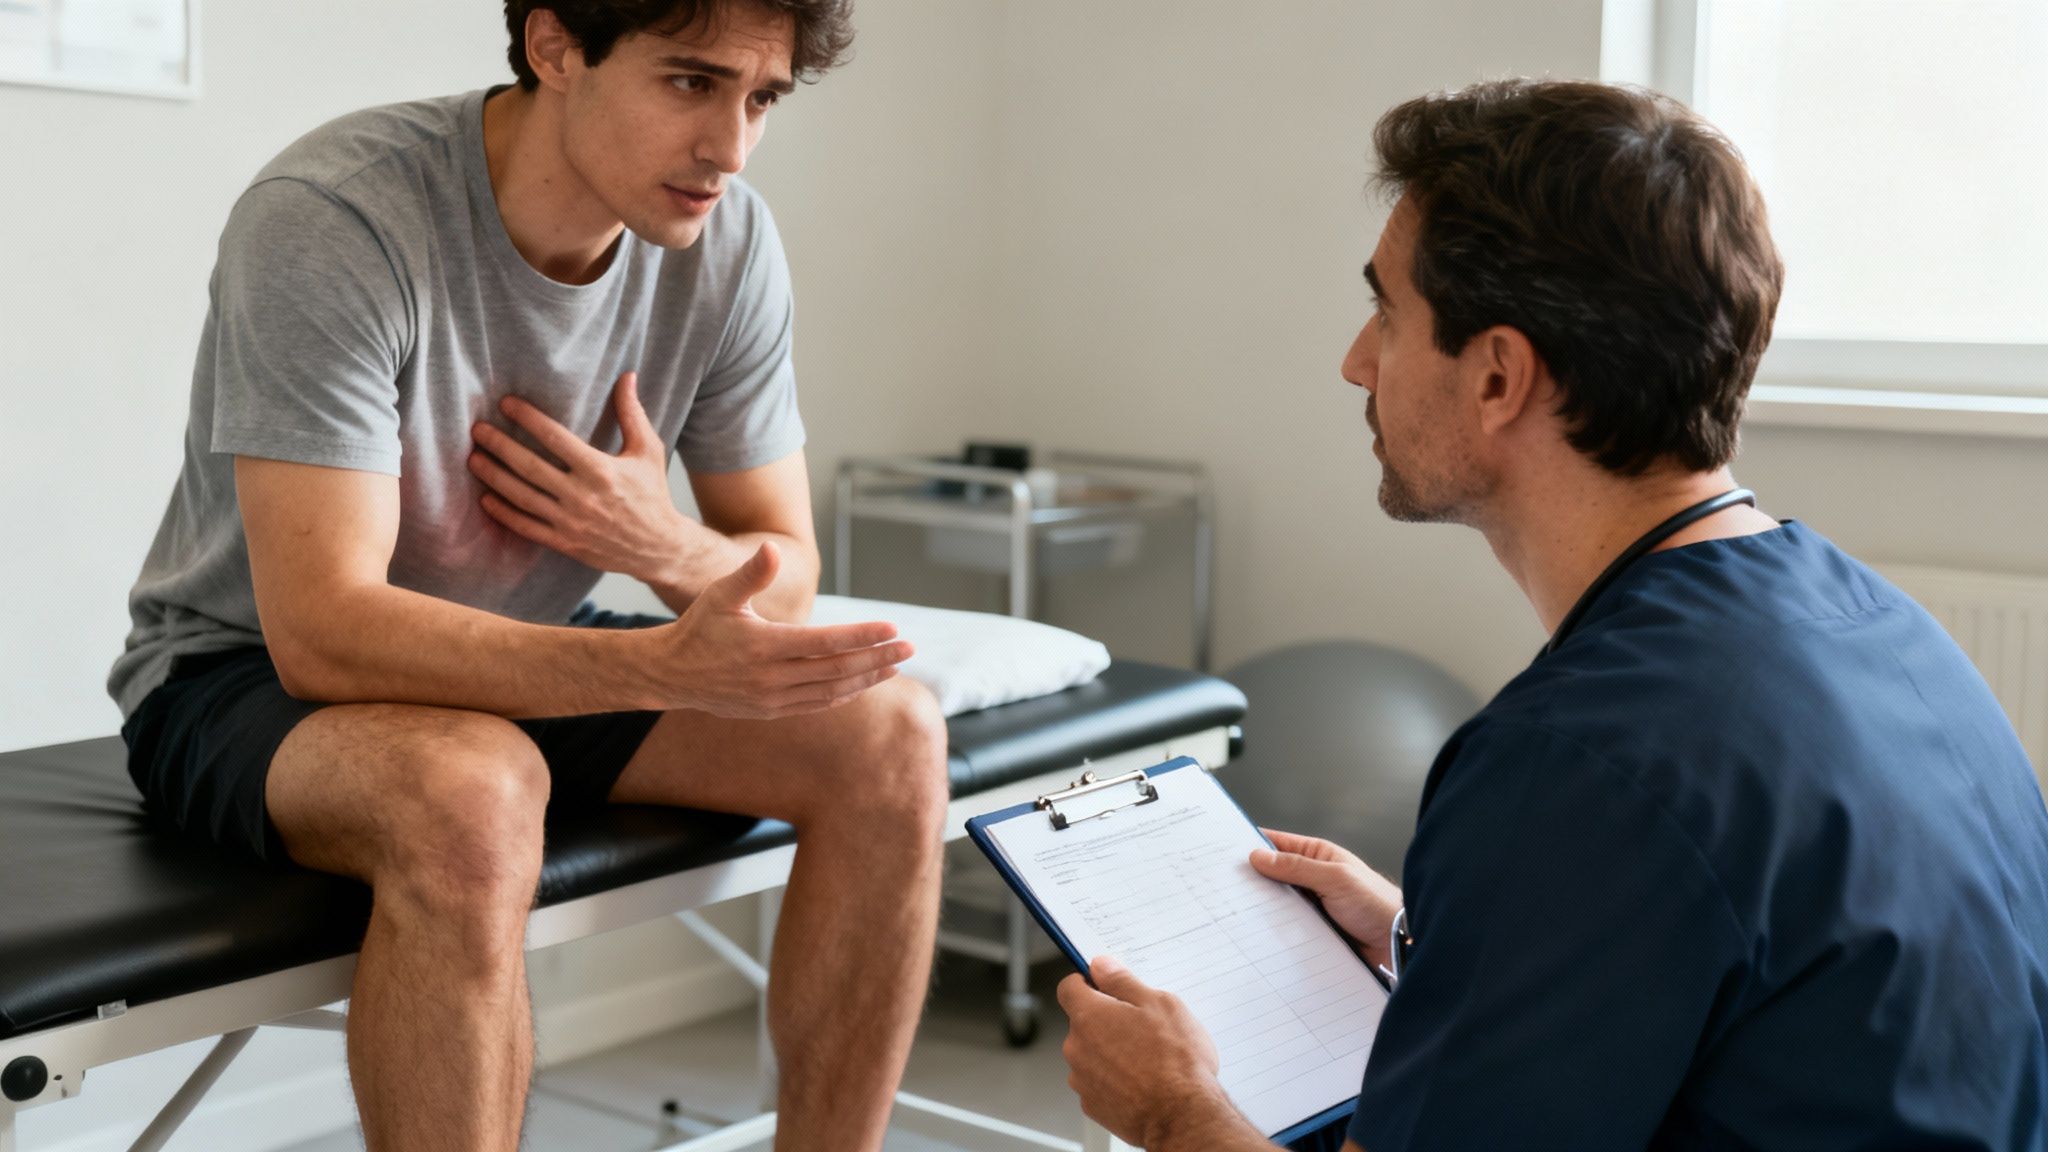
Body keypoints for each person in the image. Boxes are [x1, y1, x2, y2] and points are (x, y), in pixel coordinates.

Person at [1058, 78, 2048, 1151]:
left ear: (1496, 377)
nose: (1354, 360)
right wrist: (1433, 940)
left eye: (1386, 314)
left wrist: (1169, 1109)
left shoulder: (1574, 762)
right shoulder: (1879, 628)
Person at [107, 2, 949, 1149]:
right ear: (554, 47)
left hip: (523, 657)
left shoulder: (729, 242)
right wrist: (656, 657)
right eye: (690, 84)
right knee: (473, 790)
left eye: (762, 100)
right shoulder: (337, 216)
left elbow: (781, 574)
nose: (731, 148)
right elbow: (325, 631)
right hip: (245, 675)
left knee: (890, 734)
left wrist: (661, 549)